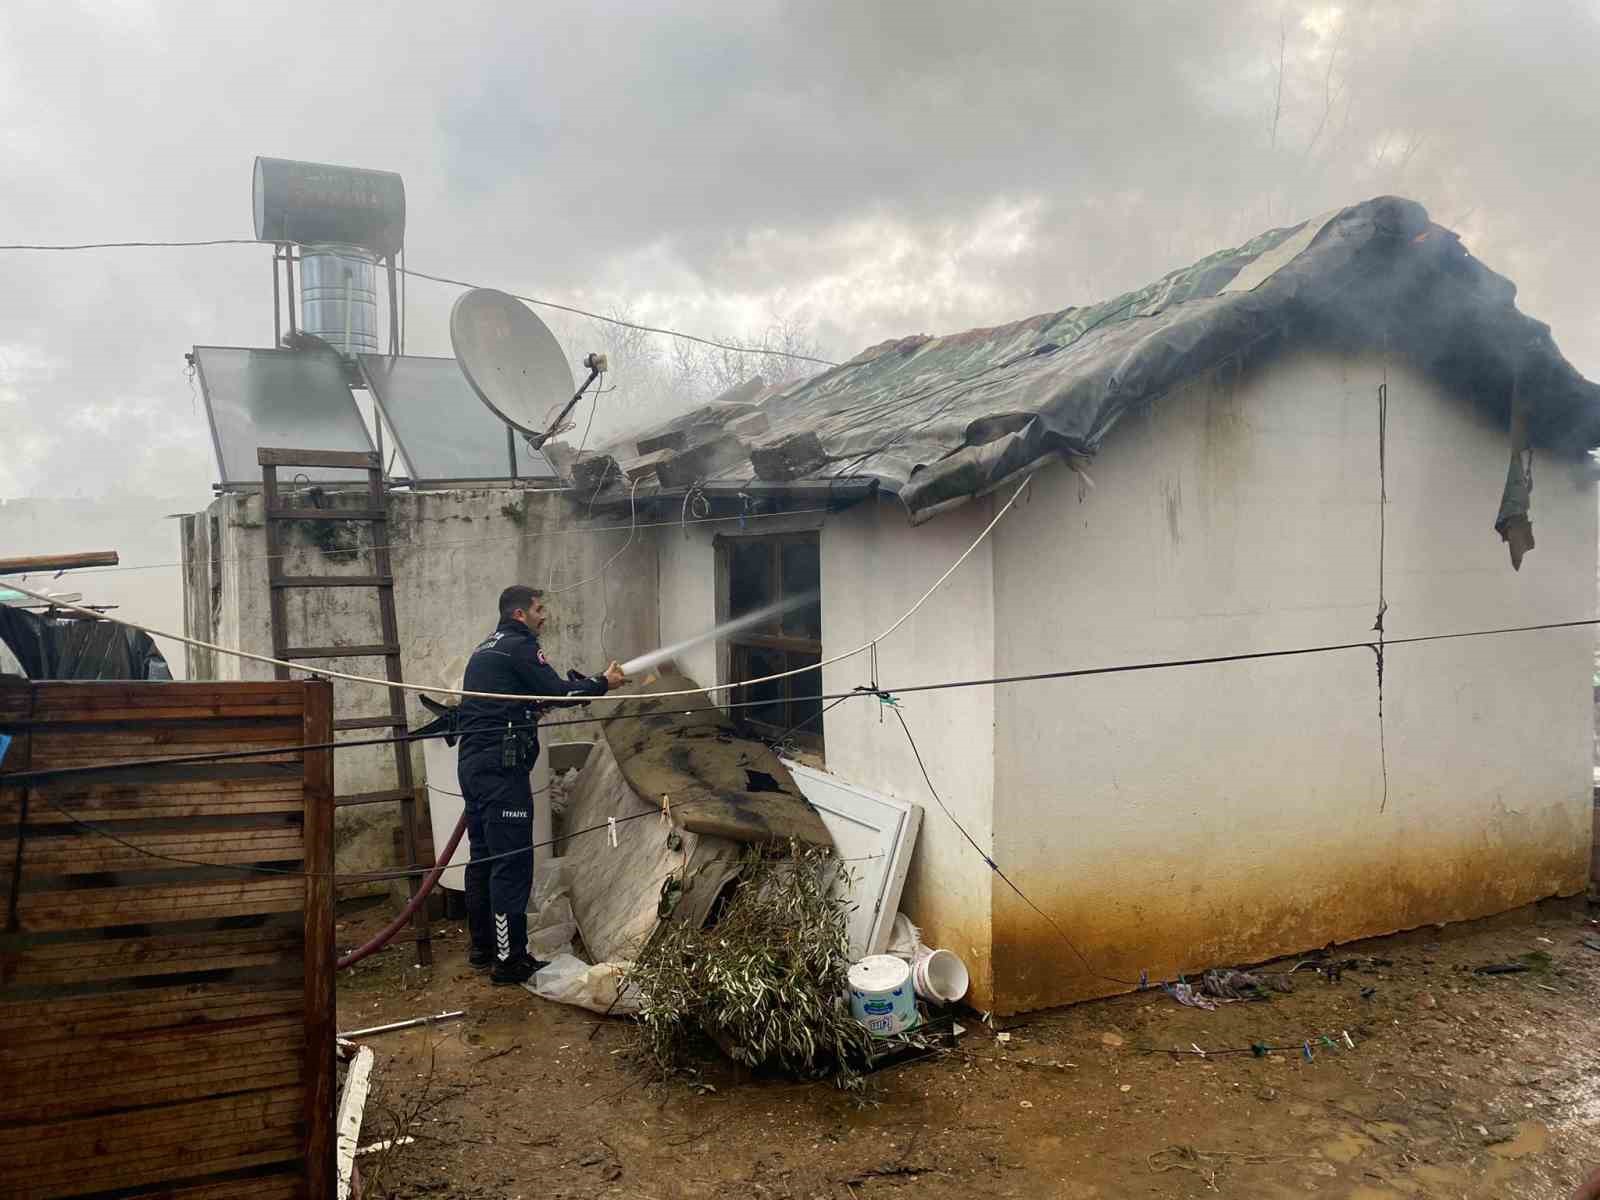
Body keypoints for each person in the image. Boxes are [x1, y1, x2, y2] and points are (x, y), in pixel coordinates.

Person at [456, 585, 626, 984]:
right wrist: (602, 682)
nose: (543, 616)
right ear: (519, 615)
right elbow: (556, 692)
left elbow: (524, 698)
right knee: (511, 863)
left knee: (482, 856)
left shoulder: (486, 648)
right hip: (502, 769)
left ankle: (482, 949)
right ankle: (509, 960)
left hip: (474, 765)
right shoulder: (520, 645)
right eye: (538, 609)